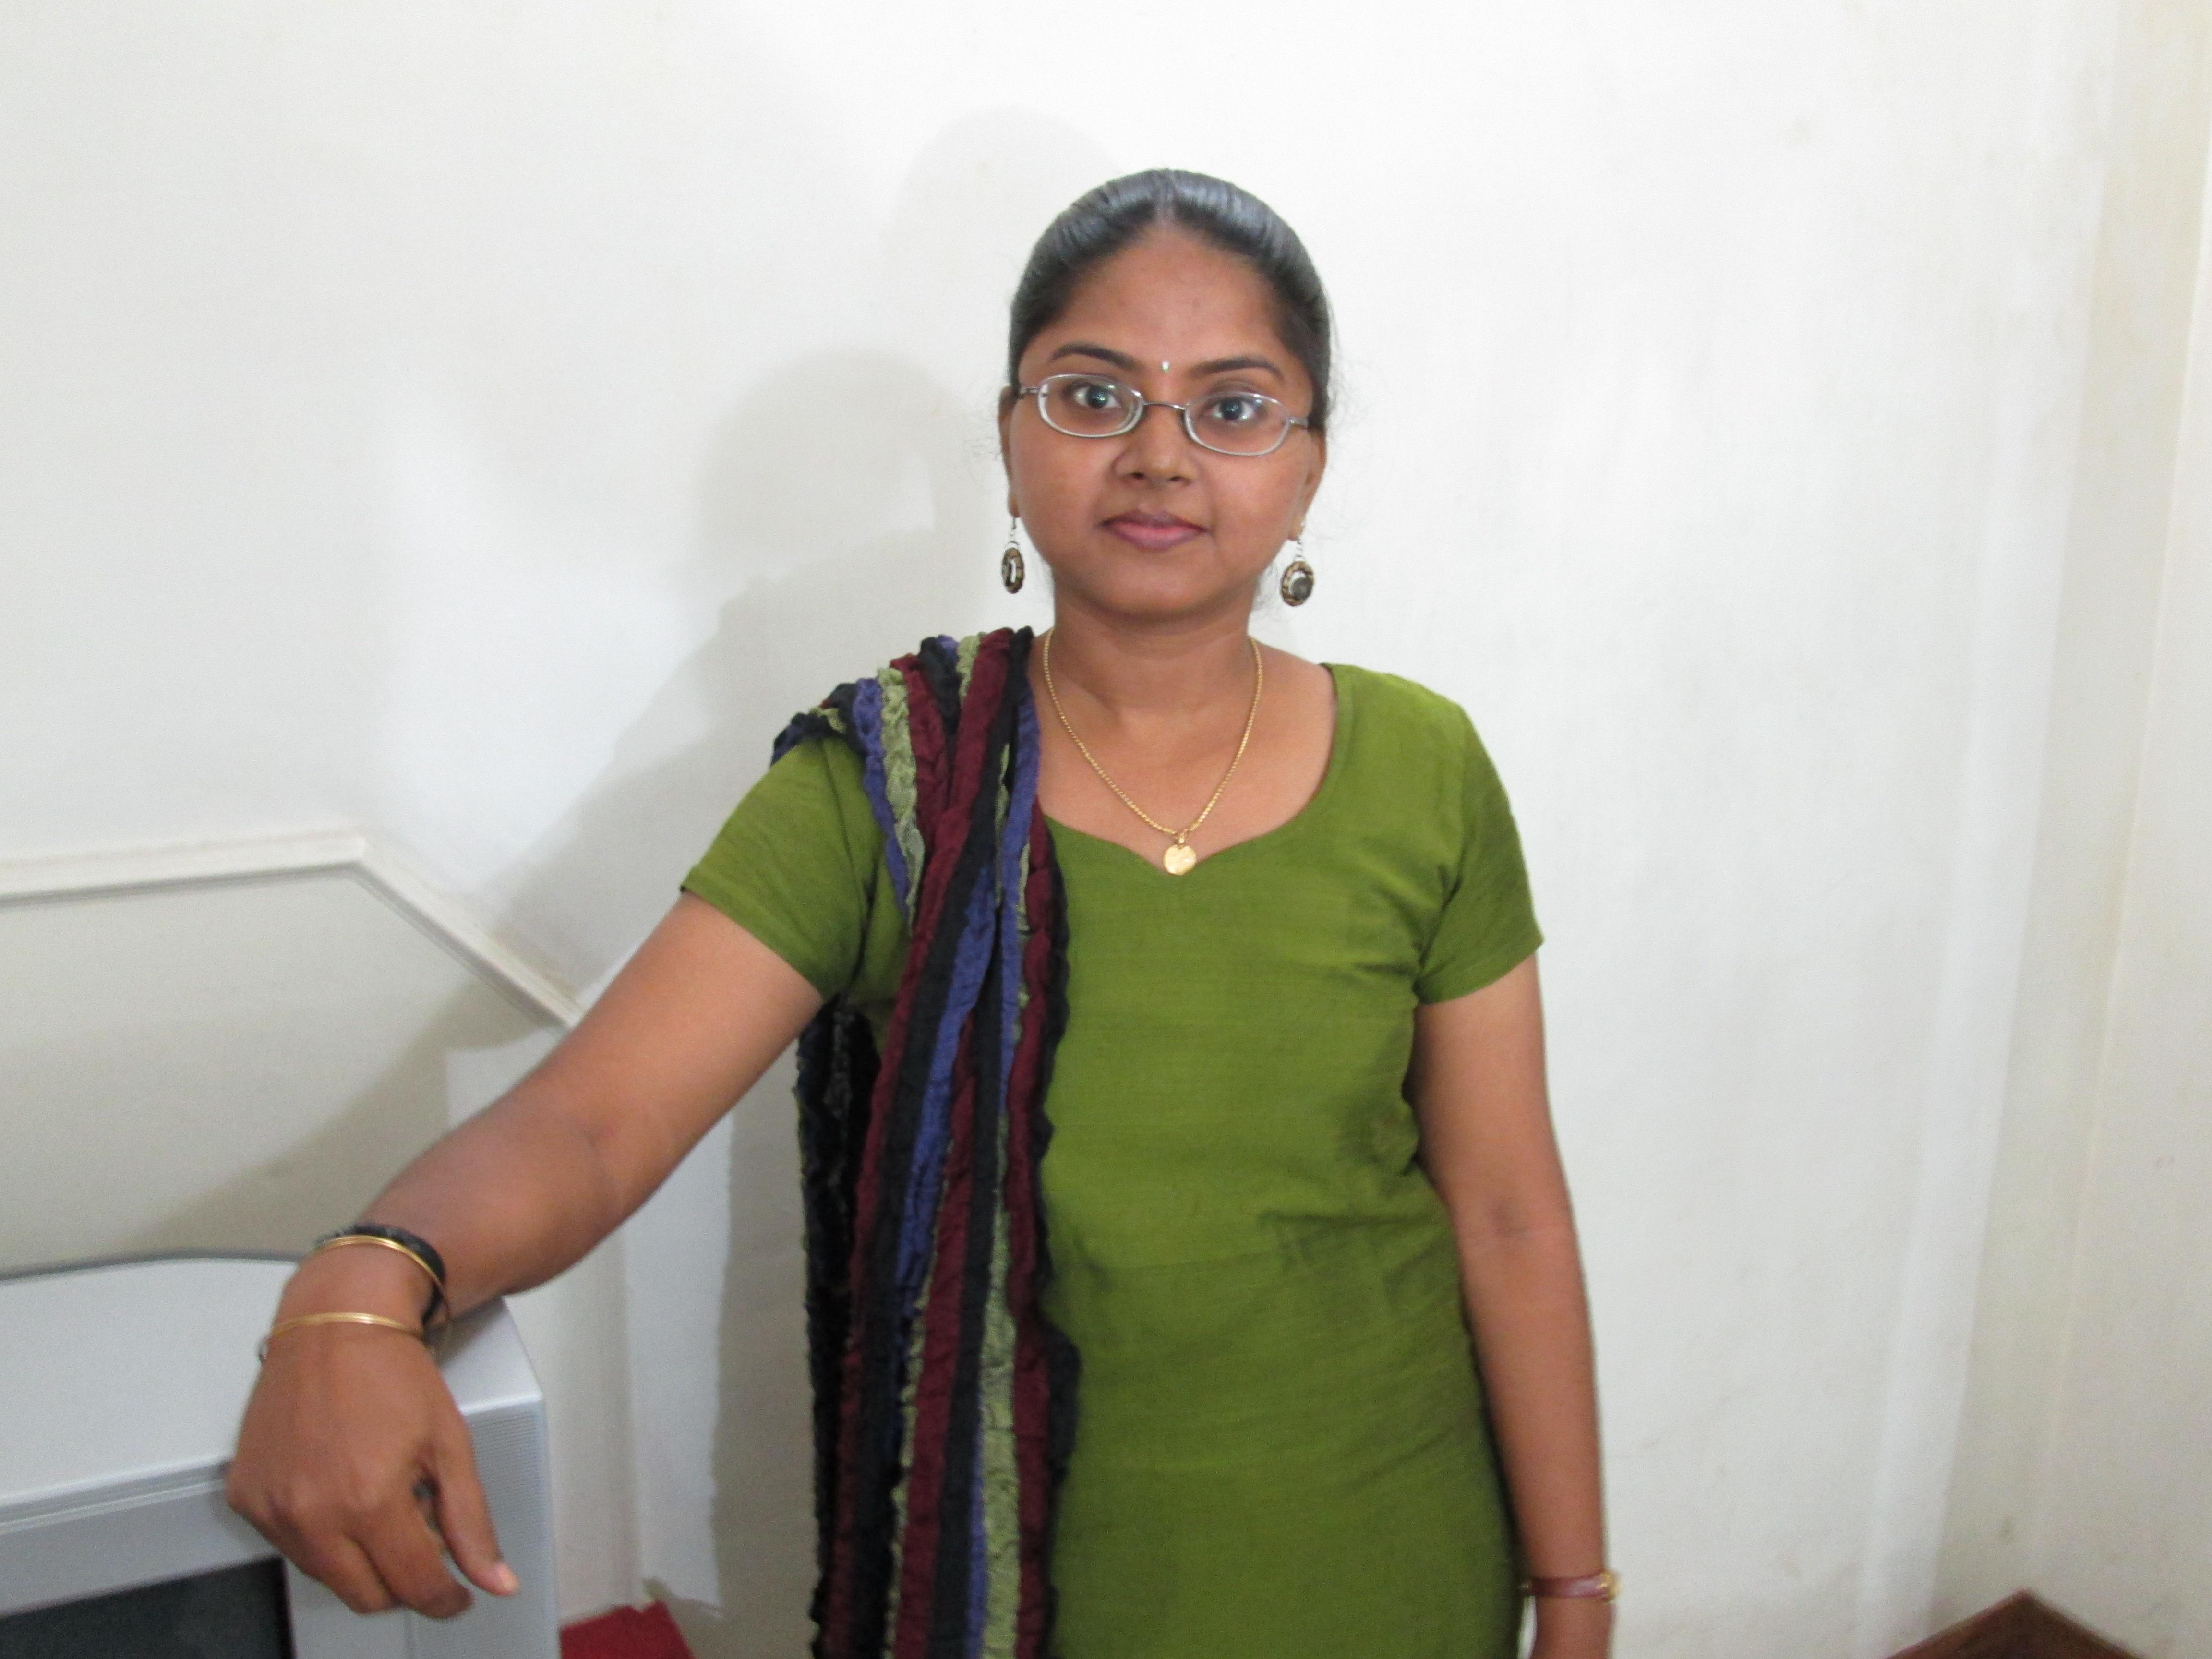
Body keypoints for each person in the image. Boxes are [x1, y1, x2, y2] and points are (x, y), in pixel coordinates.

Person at [228, 169, 1612, 1659]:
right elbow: (591, 1125)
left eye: (1232, 405)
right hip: (1021, 1597)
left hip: (1400, 1558)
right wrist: (364, 1284)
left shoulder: (1421, 766)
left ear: (1310, 463)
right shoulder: (898, 785)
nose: (1159, 454)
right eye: (1095, 395)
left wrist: (1575, 1593)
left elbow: (1508, 1212)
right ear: (1012, 439)